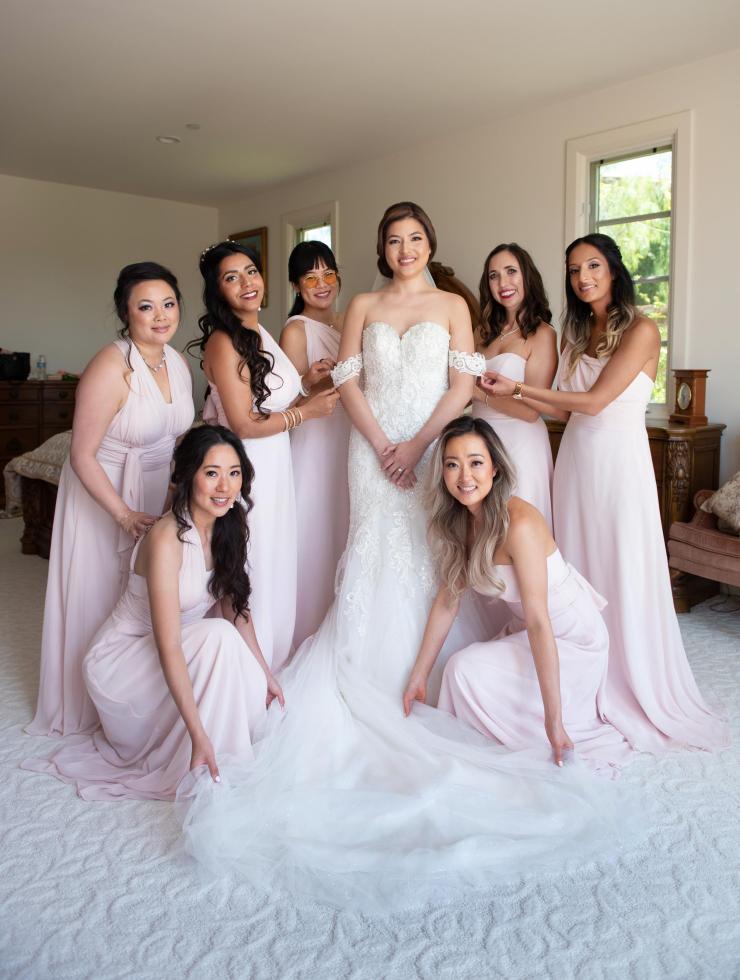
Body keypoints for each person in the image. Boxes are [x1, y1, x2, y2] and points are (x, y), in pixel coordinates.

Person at [178, 205, 639, 914]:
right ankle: (366, 675)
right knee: (373, 555)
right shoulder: (362, 305)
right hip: (372, 453)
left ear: (430, 244)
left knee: (434, 561)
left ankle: (424, 678)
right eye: (393, 240)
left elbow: (462, 387)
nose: (405, 249)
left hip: (430, 448)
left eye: (416, 238)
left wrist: (420, 445)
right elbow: (348, 384)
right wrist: (380, 445)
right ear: (381, 248)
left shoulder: (454, 306)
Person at [482, 233, 729, 753]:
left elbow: (593, 402)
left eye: (592, 266)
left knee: (621, 566)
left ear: (613, 270)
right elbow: (561, 409)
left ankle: (628, 677)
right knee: (576, 570)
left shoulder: (642, 329)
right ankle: (578, 676)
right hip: (574, 464)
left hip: (617, 466)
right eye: (574, 270)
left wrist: (519, 387)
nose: (583, 277)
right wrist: (491, 394)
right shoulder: (578, 333)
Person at [22, 426, 283, 801]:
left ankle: (226, 756)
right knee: (219, 637)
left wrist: (265, 673)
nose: (225, 487)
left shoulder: (229, 524)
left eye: (234, 472)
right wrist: (197, 734)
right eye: (212, 473)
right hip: (123, 665)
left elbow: (235, 606)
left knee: (243, 665)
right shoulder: (166, 538)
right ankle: (209, 757)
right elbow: (169, 644)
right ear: (188, 475)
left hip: (181, 652)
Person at [403, 416, 633, 772]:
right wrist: (419, 674)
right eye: (452, 465)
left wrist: (554, 721)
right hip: (530, 629)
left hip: (571, 638)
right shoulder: (461, 522)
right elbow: (448, 601)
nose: (465, 476)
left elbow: (540, 622)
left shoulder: (519, 524)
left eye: (475, 462)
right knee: (459, 671)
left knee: (464, 668)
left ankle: (539, 731)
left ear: (495, 468)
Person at [28, 262, 195, 737]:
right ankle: (87, 704)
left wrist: (175, 494)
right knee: (100, 593)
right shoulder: (110, 365)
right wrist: (122, 513)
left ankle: (136, 702)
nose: (160, 316)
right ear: (126, 313)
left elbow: (176, 440)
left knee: (142, 597)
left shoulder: (178, 363)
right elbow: (81, 454)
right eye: (146, 306)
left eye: (168, 304)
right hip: (104, 493)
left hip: (155, 489)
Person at [191, 241, 339, 671]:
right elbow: (243, 423)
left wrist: (305, 384)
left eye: (251, 272)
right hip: (246, 468)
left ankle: (272, 662)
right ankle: (245, 672)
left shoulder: (260, 332)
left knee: (274, 561)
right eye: (231, 277)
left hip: (276, 464)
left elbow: (269, 401)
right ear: (218, 290)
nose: (247, 283)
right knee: (252, 565)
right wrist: (306, 412)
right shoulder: (223, 341)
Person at [280, 241, 351, 647]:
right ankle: (306, 630)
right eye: (310, 277)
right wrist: (310, 380)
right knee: (315, 526)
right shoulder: (296, 330)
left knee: (344, 524)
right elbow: (284, 403)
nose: (322, 284)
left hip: (350, 434)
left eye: (328, 274)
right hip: (315, 439)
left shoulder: (350, 320)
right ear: (296, 285)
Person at [471, 243, 557, 528]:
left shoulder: (542, 334)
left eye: (511, 272)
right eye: (493, 276)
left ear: (526, 276)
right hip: (480, 441)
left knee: (518, 526)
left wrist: (477, 394)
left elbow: (531, 411)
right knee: (482, 527)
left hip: (521, 442)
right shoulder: (481, 332)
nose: (503, 283)